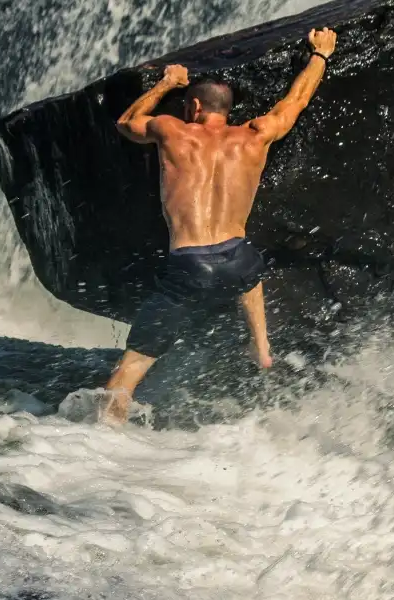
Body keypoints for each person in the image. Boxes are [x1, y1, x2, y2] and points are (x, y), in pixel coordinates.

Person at [101, 27, 337, 426]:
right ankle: (260, 344)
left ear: (193, 107)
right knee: (249, 269)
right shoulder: (256, 136)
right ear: (226, 109)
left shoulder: (172, 131)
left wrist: (166, 83)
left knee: (127, 373)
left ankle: (103, 441)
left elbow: (126, 122)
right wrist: (321, 55)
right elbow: (296, 100)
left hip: (189, 265)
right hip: (238, 259)